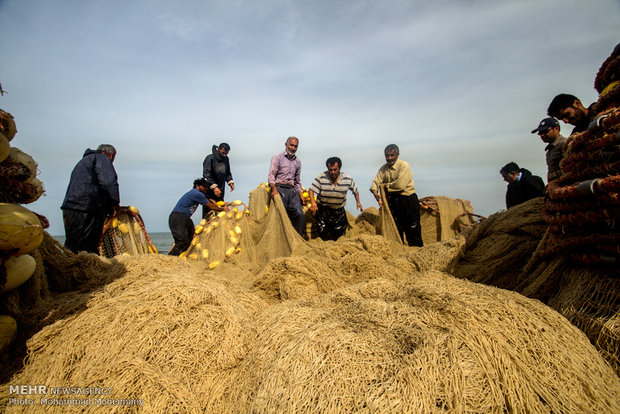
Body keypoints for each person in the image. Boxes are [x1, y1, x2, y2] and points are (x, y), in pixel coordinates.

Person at [61, 144, 120, 254]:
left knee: (72, 246)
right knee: (87, 249)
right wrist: (114, 204)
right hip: (87, 208)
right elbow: (108, 182)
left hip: (71, 208)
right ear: (111, 155)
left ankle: (67, 269)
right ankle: (82, 270)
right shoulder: (102, 159)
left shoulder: (84, 161)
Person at [370, 144, 423, 247]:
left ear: (397, 155)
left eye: (391, 155)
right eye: (387, 155)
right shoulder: (383, 169)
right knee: (396, 228)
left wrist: (385, 186)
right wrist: (375, 191)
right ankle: (399, 250)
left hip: (408, 200)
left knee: (412, 228)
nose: (389, 158)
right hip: (393, 201)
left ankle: (416, 250)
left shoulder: (404, 166)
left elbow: (400, 185)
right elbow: (376, 181)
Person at [168, 178, 227, 256]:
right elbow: (211, 206)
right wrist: (223, 209)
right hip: (178, 217)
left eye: (207, 187)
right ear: (197, 186)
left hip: (185, 218)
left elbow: (209, 201)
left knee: (189, 240)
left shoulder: (197, 194)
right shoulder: (196, 193)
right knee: (181, 241)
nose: (206, 188)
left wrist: (217, 203)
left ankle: (181, 258)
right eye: (204, 186)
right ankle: (170, 258)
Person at [308, 157, 363, 241]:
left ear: (339, 168)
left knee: (339, 235)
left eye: (335, 170)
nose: (333, 172)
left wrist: (358, 202)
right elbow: (311, 190)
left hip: (338, 211)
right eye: (330, 170)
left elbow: (355, 191)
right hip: (323, 211)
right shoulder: (321, 177)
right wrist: (313, 203)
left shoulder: (347, 179)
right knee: (323, 234)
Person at [268, 136, 304, 235]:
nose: (293, 148)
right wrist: (274, 190)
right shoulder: (277, 158)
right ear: (286, 145)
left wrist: (300, 193)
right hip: (279, 188)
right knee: (280, 214)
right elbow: (271, 175)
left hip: (292, 191)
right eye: (291, 145)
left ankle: (298, 240)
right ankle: (280, 239)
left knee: (299, 214)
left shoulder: (298, 162)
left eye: (295, 146)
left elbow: (297, 180)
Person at [202, 142, 234, 218]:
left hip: (220, 190)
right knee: (209, 210)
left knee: (220, 210)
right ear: (218, 149)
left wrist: (230, 183)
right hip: (209, 190)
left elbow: (227, 172)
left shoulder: (226, 159)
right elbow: (206, 175)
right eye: (223, 153)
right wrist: (215, 188)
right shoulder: (210, 158)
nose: (224, 155)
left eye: (226, 153)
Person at [530, 117, 567, 182]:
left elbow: (571, 169)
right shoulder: (551, 148)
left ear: (556, 129)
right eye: (540, 133)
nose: (542, 135)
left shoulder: (565, 144)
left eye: (545, 131)